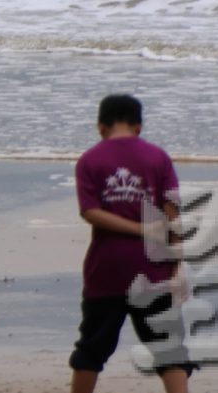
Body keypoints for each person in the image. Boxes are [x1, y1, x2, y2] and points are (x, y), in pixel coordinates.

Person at [69, 92, 189, 391]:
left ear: (100, 126)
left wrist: (136, 229)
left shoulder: (89, 160)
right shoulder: (157, 157)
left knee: (92, 348)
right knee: (168, 349)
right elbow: (172, 209)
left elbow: (90, 212)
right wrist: (174, 256)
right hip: (151, 265)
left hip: (105, 267)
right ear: (139, 126)